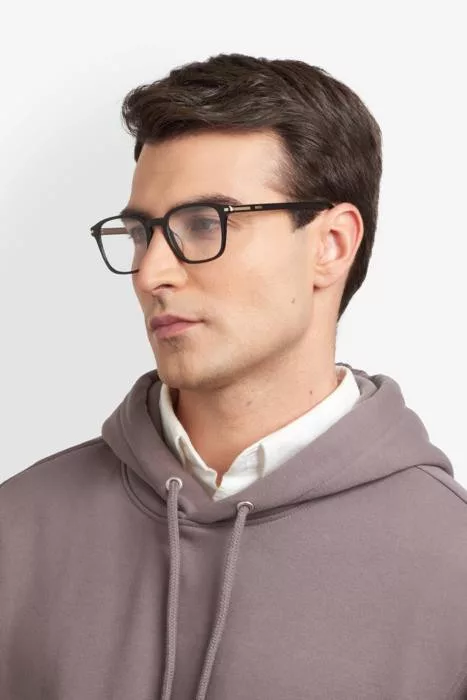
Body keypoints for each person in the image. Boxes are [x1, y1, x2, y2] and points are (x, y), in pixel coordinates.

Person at [1, 52, 466, 700]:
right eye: (141, 233)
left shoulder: (452, 562)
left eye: (202, 224)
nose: (150, 273)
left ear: (330, 244)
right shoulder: (17, 526)